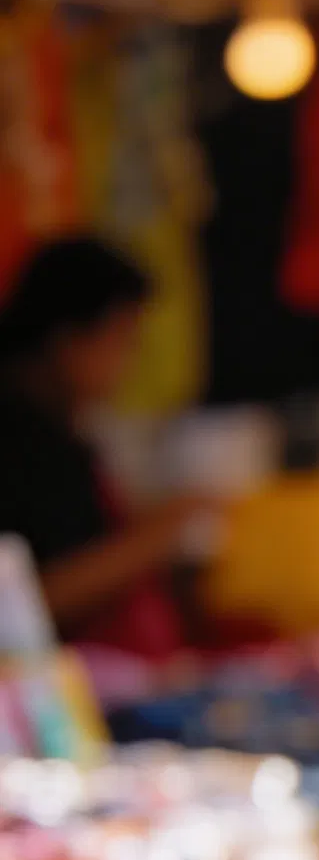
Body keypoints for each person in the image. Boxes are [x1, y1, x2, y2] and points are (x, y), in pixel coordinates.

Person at [0, 233, 202, 654]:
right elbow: (33, 597)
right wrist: (156, 537)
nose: (129, 361)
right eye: (121, 339)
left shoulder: (61, 432)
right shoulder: (18, 444)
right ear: (66, 339)